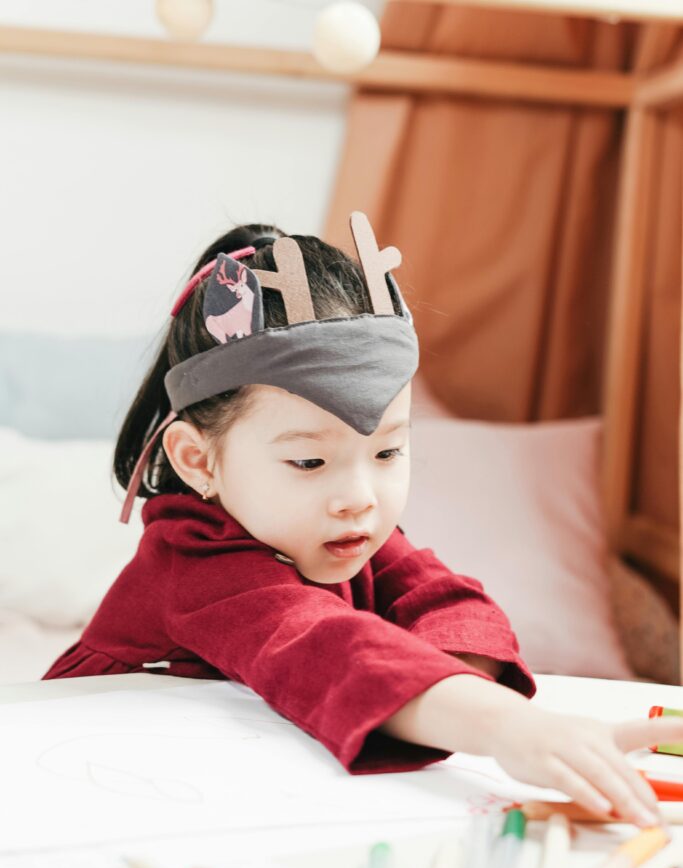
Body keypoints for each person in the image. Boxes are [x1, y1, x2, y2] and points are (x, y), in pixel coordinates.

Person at [43, 211, 681, 829]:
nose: (360, 496)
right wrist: (502, 725)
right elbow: (321, 645)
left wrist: (461, 701)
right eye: (310, 459)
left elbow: (452, 603)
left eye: (386, 452)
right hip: (97, 786)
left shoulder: (343, 531)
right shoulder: (192, 560)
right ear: (197, 459)